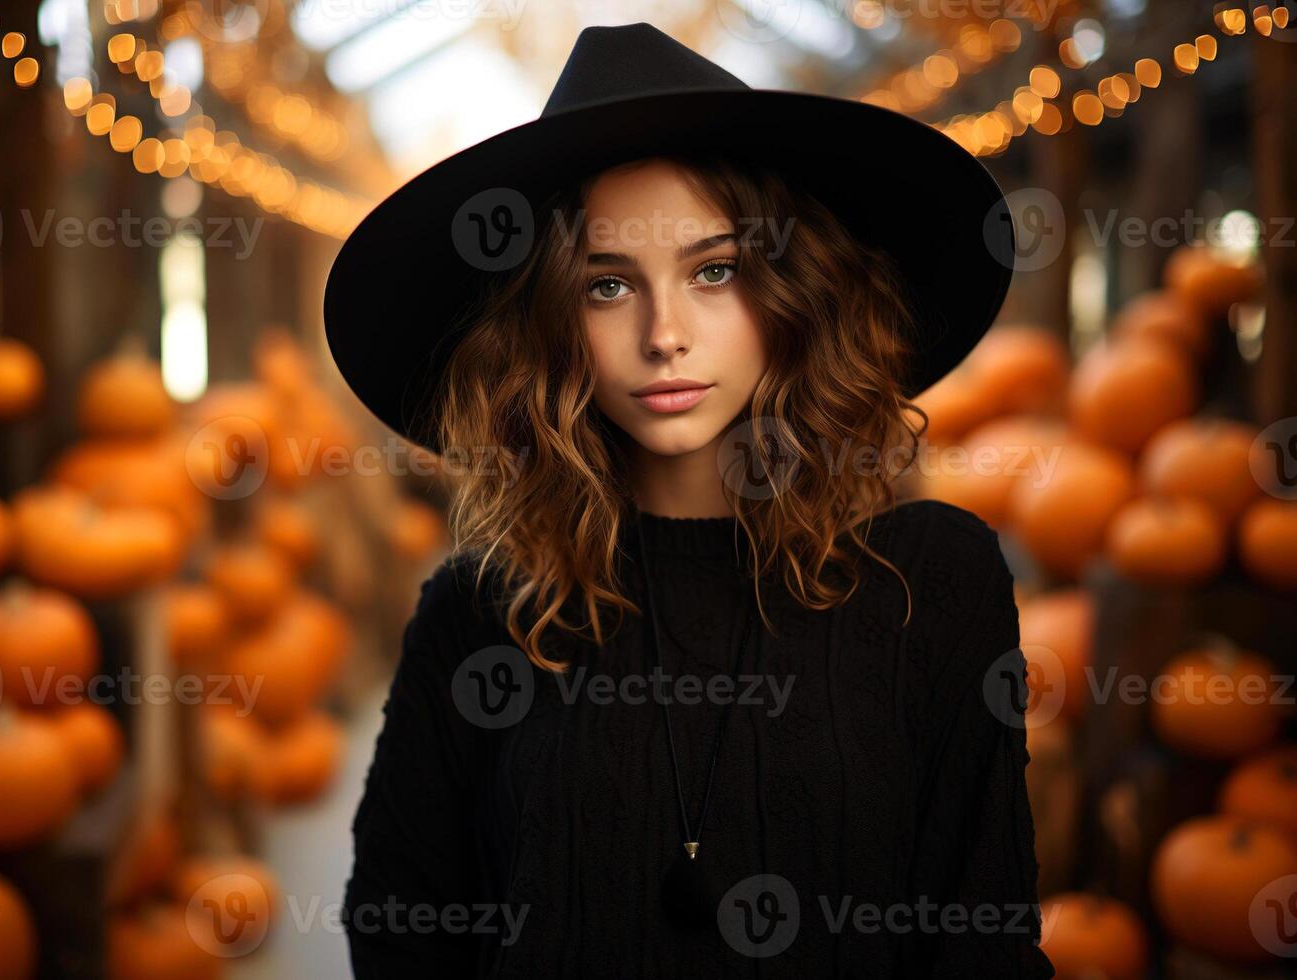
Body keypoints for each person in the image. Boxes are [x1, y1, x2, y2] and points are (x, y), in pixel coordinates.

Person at [323, 21, 1053, 979]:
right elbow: (401, 932)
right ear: (550, 326)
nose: (665, 334)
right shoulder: (479, 611)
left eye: (714, 271)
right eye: (609, 284)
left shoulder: (933, 583)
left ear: (793, 292)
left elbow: (985, 944)